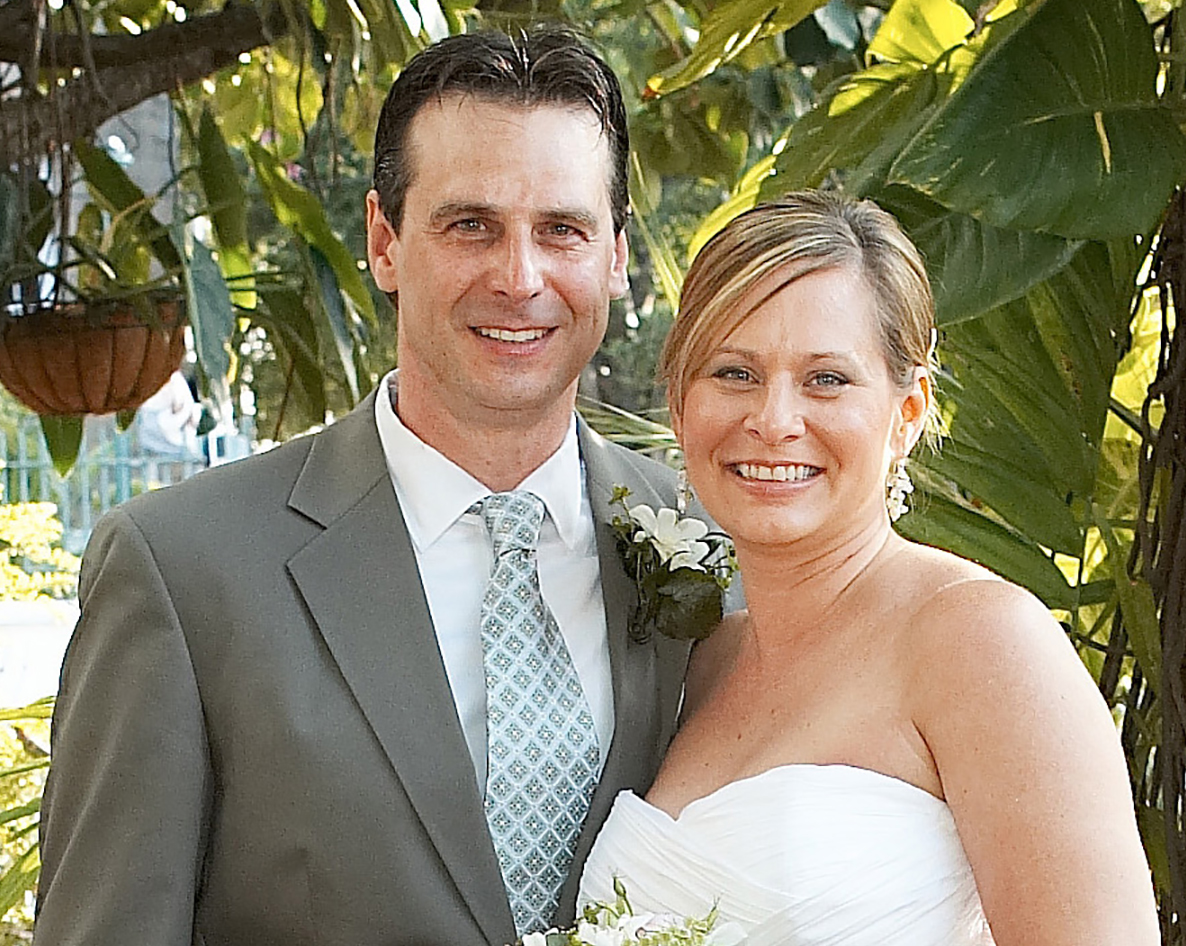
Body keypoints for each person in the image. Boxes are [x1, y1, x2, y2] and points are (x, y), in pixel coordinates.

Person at [34, 28, 700, 946]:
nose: (520, 277)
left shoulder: (715, 548)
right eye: (471, 224)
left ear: (616, 257)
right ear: (385, 242)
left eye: (563, 230)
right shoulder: (182, 572)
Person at [579, 192, 1160, 945]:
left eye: (827, 379)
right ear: (680, 406)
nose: (775, 419)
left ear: (908, 412)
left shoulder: (981, 642)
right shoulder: (698, 662)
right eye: (734, 373)